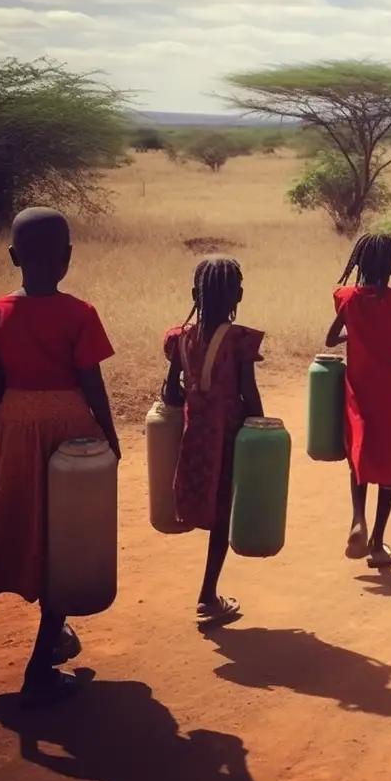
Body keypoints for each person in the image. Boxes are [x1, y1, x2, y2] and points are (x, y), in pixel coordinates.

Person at [0, 207, 119, 704]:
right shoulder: (80, 313)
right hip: (70, 430)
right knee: (64, 537)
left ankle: (53, 639)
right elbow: (92, 382)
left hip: (13, 428)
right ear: (68, 259)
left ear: (13, 257)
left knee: (27, 525)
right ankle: (38, 667)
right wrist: (110, 436)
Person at [161, 255, 264, 628]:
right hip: (230, 434)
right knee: (223, 513)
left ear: (195, 294)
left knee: (204, 498)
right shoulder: (239, 340)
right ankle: (208, 595)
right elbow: (248, 393)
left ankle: (209, 593)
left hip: (196, 434)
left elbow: (171, 394)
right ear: (238, 296)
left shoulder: (180, 339)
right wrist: (263, 431)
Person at [328, 233, 391, 565]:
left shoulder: (349, 299)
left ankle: (358, 517)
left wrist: (353, 334)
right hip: (390, 393)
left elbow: (330, 339)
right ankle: (378, 543)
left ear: (359, 263)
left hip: (358, 391)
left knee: (358, 454)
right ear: (390, 265)